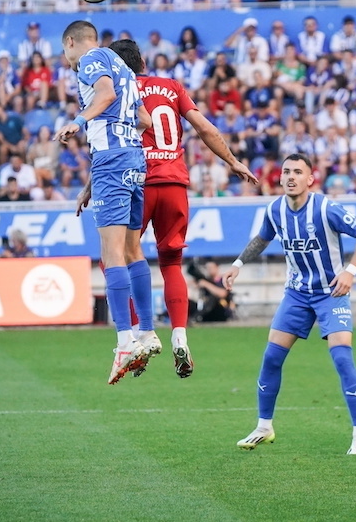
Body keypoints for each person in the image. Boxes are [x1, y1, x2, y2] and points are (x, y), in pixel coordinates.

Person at [84, 39, 257, 376]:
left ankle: (138, 335)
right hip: (175, 184)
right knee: (172, 263)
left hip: (136, 180)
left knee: (123, 256)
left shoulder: (121, 89)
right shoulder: (172, 87)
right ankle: (180, 335)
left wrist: (91, 186)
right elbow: (205, 128)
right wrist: (232, 161)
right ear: (143, 60)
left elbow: (112, 144)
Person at [222, 153, 356, 455]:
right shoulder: (275, 209)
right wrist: (238, 263)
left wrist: (350, 271)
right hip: (296, 294)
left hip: (330, 292)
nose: (291, 177)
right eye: (286, 172)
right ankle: (264, 426)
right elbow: (262, 239)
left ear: (310, 178)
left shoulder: (326, 209)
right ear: (279, 178)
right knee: (271, 358)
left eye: (297, 172)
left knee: (342, 358)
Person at [55, 20, 155, 385]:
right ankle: (147, 331)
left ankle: (125, 341)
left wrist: (78, 121)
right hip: (132, 159)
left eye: (65, 52)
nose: (66, 60)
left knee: (111, 255)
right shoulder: (125, 67)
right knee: (133, 251)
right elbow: (144, 120)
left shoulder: (93, 59)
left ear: (70, 42)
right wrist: (93, 182)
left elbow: (106, 96)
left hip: (114, 162)